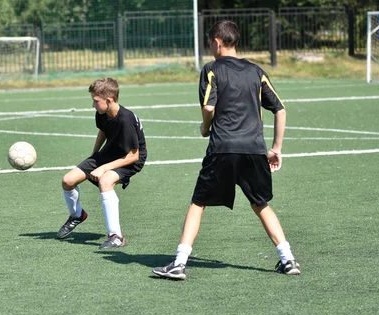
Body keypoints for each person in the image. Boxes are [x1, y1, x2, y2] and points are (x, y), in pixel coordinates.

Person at [153, 20, 300, 280]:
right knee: (260, 203)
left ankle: (179, 263)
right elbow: (280, 108)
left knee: (198, 203)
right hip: (255, 149)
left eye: (210, 43)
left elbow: (209, 107)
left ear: (217, 43)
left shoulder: (211, 70)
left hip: (223, 147)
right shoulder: (256, 71)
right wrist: (276, 148)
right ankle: (287, 259)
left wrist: (204, 127)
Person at [57, 77, 147, 249]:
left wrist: (103, 168)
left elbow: (133, 156)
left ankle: (116, 236)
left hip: (130, 159)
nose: (93, 105)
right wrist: (94, 155)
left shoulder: (125, 120)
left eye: (95, 101)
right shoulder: (102, 113)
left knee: (105, 181)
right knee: (67, 181)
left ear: (109, 100)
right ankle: (77, 215)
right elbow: (103, 132)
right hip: (109, 153)